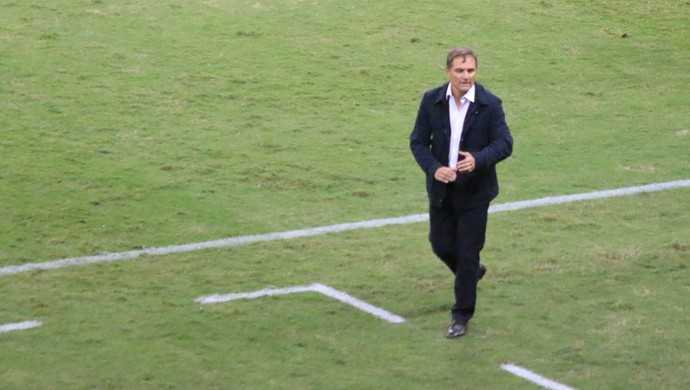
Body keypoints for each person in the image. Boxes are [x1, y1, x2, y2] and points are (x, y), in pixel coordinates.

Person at [410, 47, 513, 338]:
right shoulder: (431, 101)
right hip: (442, 190)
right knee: (441, 245)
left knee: (468, 253)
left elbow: (505, 144)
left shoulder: (490, 104)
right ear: (448, 72)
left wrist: (477, 160)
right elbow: (418, 142)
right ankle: (471, 274)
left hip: (476, 193)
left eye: (470, 71)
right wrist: (434, 168)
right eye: (460, 71)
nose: (466, 76)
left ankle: (461, 316)